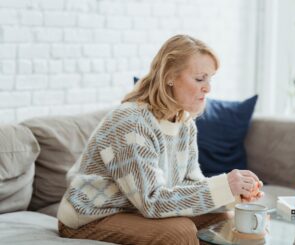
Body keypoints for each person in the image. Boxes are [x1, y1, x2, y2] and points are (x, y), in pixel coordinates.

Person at [57, 34, 263, 245]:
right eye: (200, 78)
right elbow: (151, 202)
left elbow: (190, 184)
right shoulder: (132, 122)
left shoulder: (184, 123)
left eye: (210, 78)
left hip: (135, 209)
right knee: (179, 232)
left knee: (223, 219)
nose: (208, 88)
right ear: (169, 77)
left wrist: (232, 194)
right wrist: (224, 185)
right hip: (91, 216)